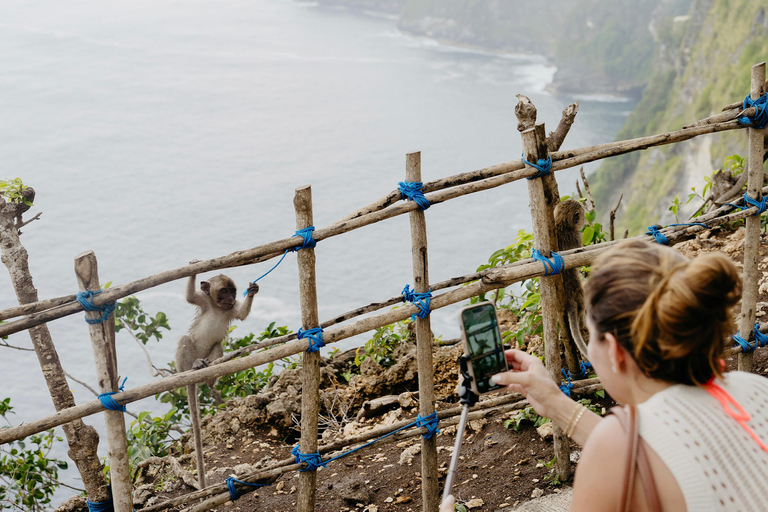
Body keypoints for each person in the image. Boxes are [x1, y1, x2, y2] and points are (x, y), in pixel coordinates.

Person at [441, 239, 768, 511]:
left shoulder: (613, 449)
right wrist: (552, 401)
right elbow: (657, 450)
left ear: (613, 349)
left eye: (591, 333)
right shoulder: (753, 388)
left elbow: (630, 453)